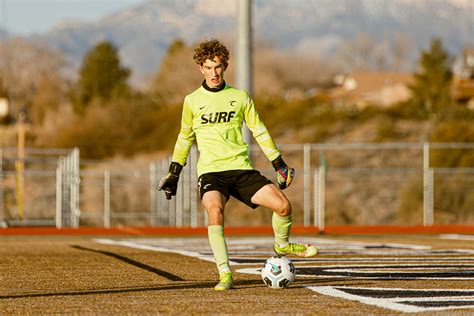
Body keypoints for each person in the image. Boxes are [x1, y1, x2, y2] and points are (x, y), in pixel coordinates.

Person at [158, 39, 317, 291]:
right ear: (200, 68)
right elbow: (185, 137)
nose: (214, 73)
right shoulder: (192, 101)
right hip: (211, 171)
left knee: (283, 206)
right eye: (208, 67)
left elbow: (259, 130)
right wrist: (174, 173)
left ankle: (282, 246)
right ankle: (225, 274)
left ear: (226, 66)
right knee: (215, 212)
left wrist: (279, 164)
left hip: (240, 168)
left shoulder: (240, 97)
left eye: (218, 66)